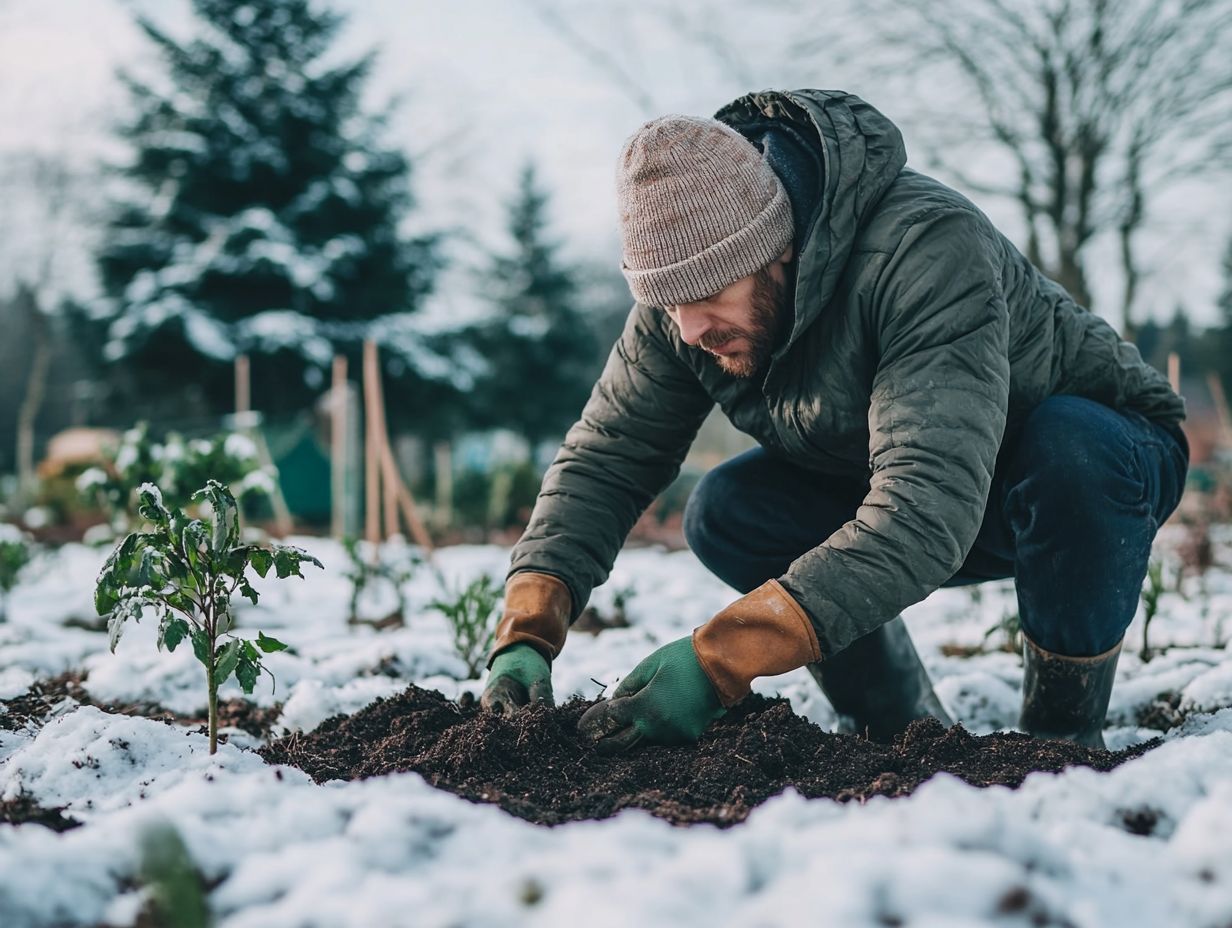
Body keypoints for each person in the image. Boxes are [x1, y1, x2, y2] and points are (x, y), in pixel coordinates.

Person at [479, 89, 1189, 753]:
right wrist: (528, 628)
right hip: (914, 486)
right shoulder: (685, 316)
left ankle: (1063, 734)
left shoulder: (925, 250)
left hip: (1093, 468)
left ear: (776, 248)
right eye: (666, 302)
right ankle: (899, 723)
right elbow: (608, 455)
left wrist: (723, 658)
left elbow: (925, 505)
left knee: (1072, 448)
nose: (689, 327)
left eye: (706, 295)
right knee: (729, 510)